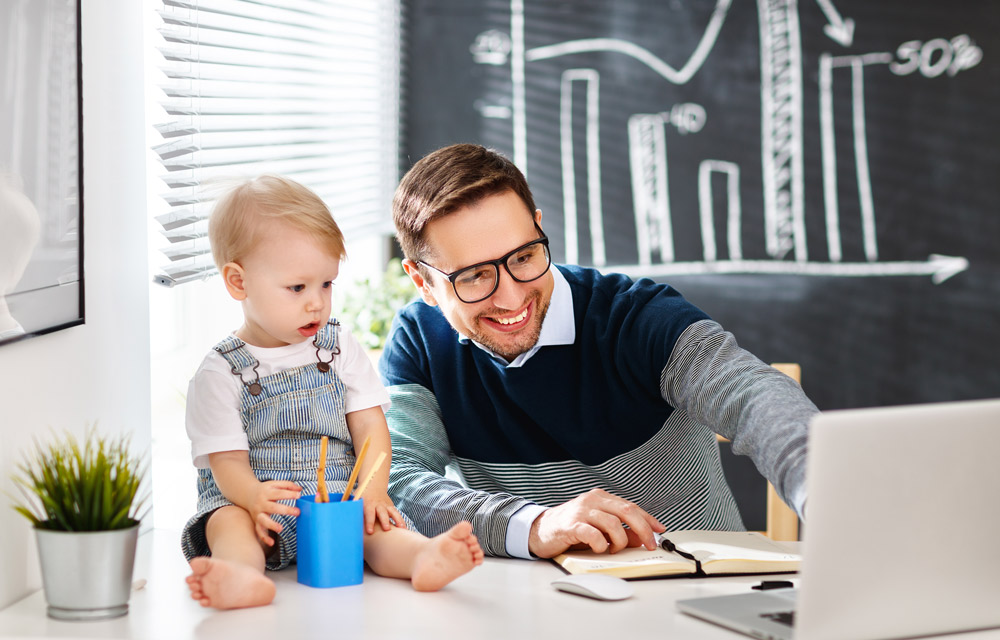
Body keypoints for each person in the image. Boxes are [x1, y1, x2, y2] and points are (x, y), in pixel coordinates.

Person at [380, 143, 819, 560]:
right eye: (474, 276)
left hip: (698, 588)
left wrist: (828, 494)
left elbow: (752, 396)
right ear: (423, 282)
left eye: (524, 256)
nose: (512, 298)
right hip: (528, 606)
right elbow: (396, 480)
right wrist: (536, 526)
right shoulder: (419, 341)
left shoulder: (637, 316)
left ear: (538, 227)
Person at [180, 175, 484, 610]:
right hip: (257, 499)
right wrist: (252, 497)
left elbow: (370, 425)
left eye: (326, 284)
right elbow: (225, 461)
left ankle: (422, 556)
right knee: (227, 525)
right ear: (237, 282)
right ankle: (241, 576)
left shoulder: (338, 346)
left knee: (376, 527)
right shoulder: (219, 372)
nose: (316, 303)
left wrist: (373, 490)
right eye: (297, 288)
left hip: (337, 492)